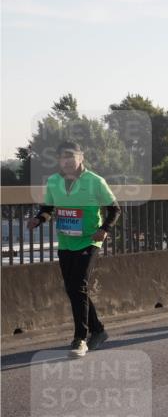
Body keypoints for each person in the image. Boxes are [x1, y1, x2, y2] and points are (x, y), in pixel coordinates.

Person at [26, 141, 121, 357]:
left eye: (70, 156)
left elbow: (115, 209)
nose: (66, 160)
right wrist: (37, 220)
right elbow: (48, 208)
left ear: (81, 157)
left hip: (89, 241)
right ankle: (98, 330)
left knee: (78, 285)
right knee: (73, 289)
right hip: (66, 242)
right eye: (62, 157)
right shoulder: (53, 181)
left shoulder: (95, 181)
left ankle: (80, 338)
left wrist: (104, 229)